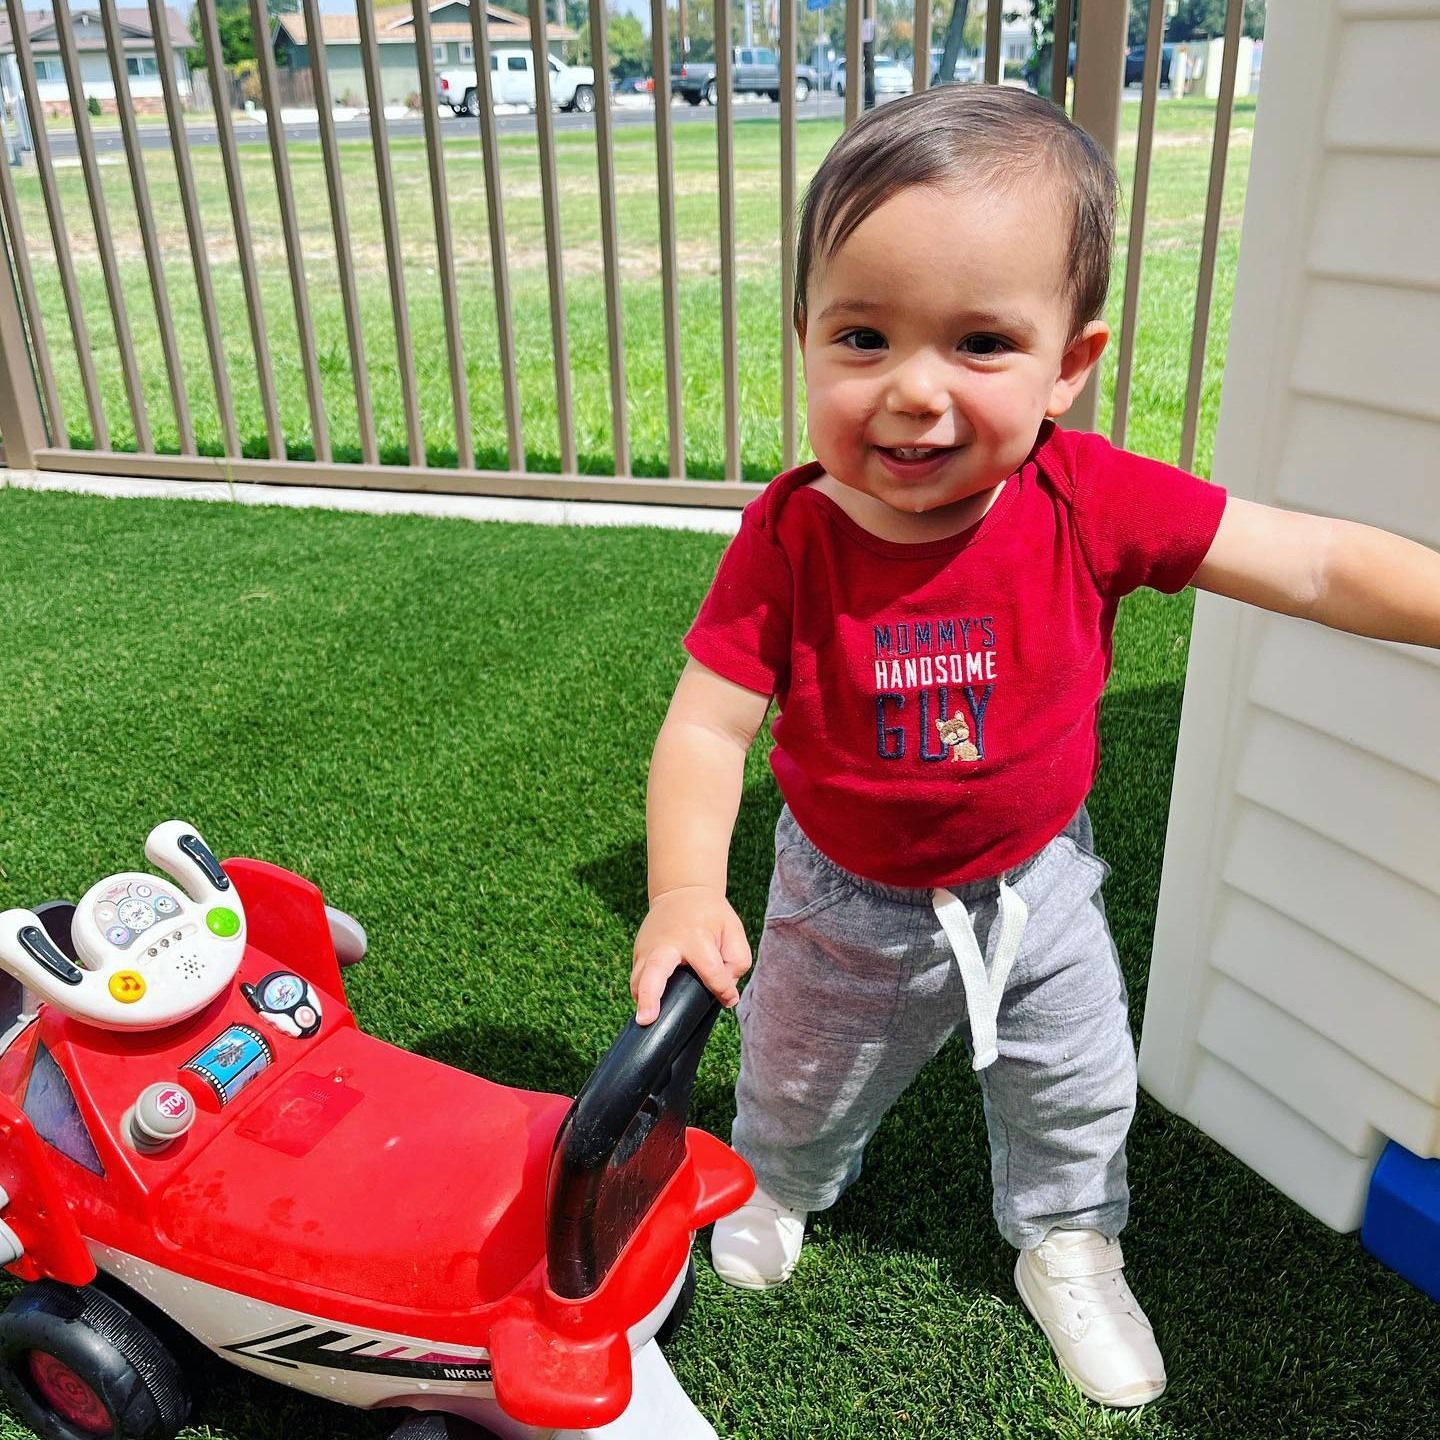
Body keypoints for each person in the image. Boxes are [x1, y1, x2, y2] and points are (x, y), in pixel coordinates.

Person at [629, 85, 1440, 1409]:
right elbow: (708, 725)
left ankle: (1069, 1238)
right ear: (806, 339)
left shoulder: (1087, 496)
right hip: (841, 893)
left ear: (1070, 363)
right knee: (794, 1073)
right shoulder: (792, 537)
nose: (914, 390)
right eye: (863, 335)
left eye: (982, 342)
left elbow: (1307, 562)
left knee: (1076, 1081)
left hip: (1036, 883)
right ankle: (780, 1179)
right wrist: (681, 887)